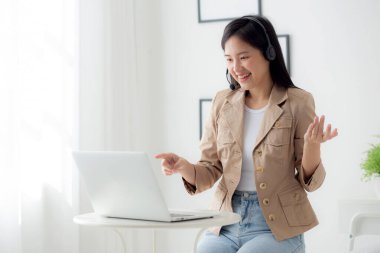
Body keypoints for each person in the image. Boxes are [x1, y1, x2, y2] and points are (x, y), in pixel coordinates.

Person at [155, 15, 338, 253]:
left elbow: (310, 183)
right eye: (229, 59)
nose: (236, 68)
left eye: (244, 57)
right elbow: (210, 168)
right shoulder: (222, 102)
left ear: (269, 53)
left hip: (277, 227)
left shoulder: (297, 102)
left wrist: (313, 147)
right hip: (225, 222)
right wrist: (183, 167)